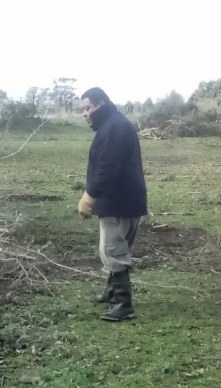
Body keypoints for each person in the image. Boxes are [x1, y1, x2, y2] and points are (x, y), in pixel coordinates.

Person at [77, 87, 148, 322]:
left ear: (102, 105)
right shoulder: (114, 125)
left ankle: (123, 304)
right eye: (82, 110)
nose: (85, 114)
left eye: (88, 108)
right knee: (116, 247)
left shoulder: (114, 128)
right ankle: (111, 292)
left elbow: (107, 167)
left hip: (118, 201)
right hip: (125, 199)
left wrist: (89, 196)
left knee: (112, 250)